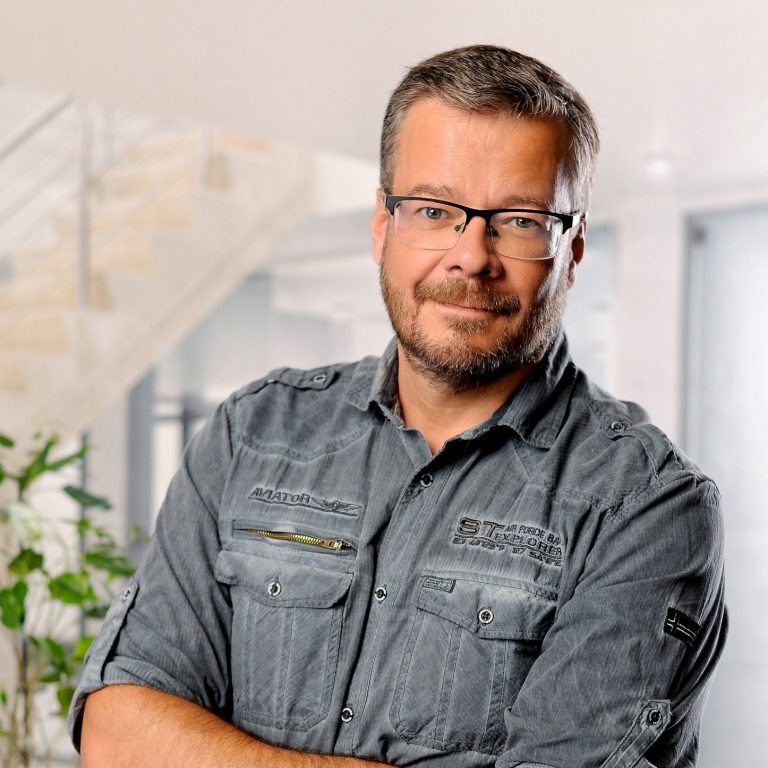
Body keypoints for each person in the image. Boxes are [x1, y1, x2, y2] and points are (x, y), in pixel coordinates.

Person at [70, 45, 727, 768]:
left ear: (571, 249)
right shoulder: (252, 434)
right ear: (383, 225)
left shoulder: (645, 506)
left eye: (520, 220)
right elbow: (117, 734)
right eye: (434, 210)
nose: (471, 256)